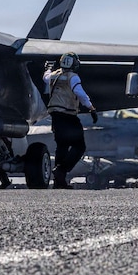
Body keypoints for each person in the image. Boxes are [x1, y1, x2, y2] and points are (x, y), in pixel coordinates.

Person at [43, 52, 97, 188]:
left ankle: (58, 182)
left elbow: (45, 77)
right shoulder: (73, 77)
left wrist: (48, 69)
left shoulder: (53, 75)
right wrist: (91, 108)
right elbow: (80, 93)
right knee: (79, 146)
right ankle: (61, 170)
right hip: (68, 115)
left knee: (62, 147)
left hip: (55, 115)